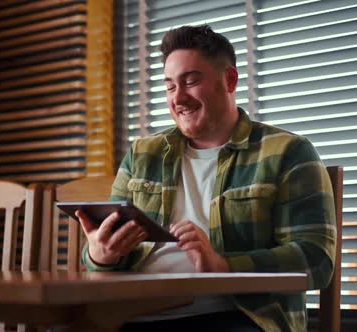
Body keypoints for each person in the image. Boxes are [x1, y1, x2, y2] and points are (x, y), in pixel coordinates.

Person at [75, 25, 336, 332]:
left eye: (191, 81)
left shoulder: (288, 152)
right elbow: (103, 257)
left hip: (237, 316)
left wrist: (223, 267)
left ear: (230, 79)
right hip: (130, 314)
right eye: (170, 86)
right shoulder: (143, 154)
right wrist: (100, 254)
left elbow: (316, 260)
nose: (179, 98)